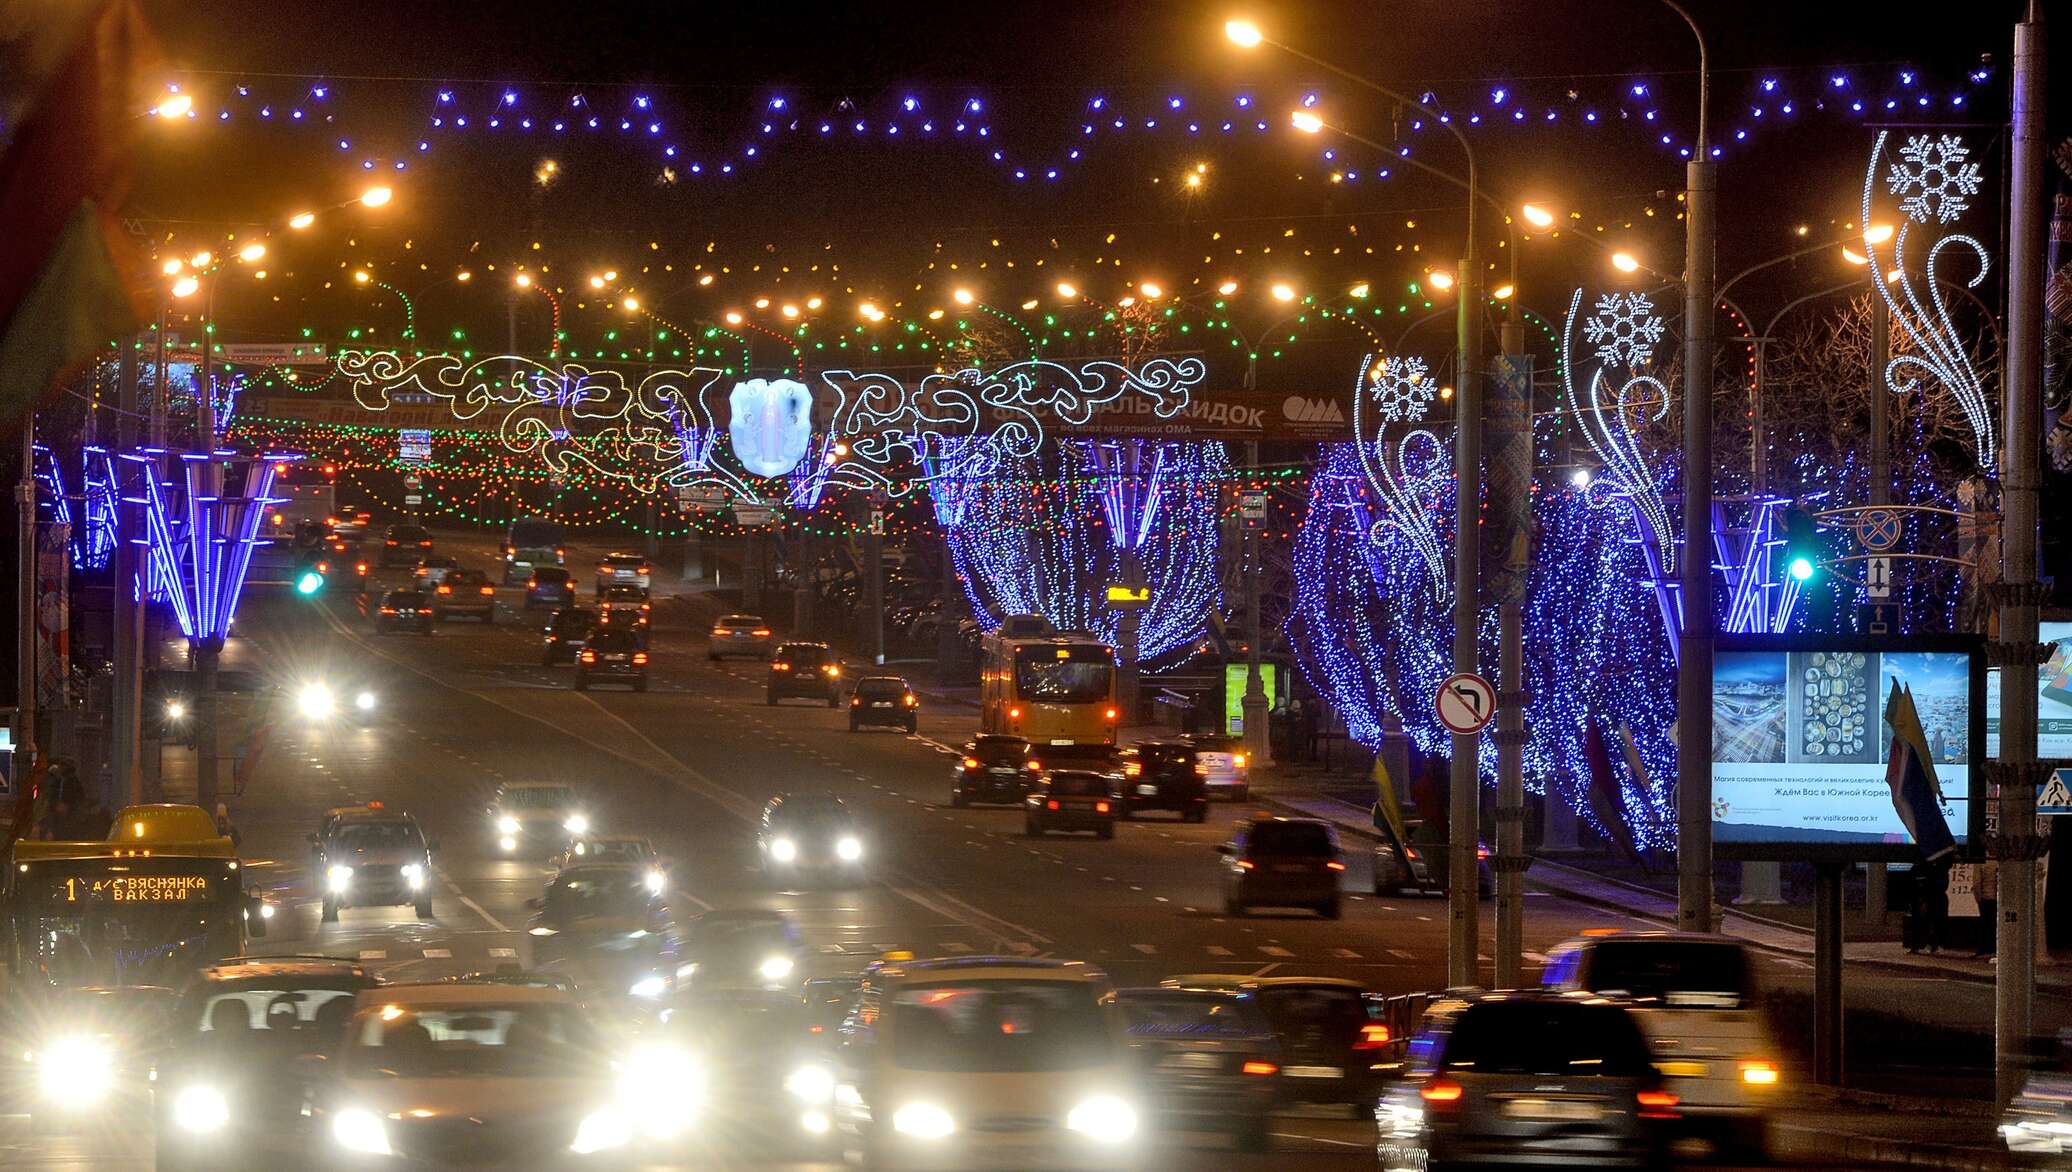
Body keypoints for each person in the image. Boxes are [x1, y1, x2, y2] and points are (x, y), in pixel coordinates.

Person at [1974, 857, 1999, 958]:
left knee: (1985, 925)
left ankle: (1984, 950)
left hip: (1985, 897)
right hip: (1999, 898)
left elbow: (1976, 882)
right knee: (1995, 925)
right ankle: (1994, 949)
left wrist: (1978, 898)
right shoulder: (2000, 860)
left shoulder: (1980, 862)